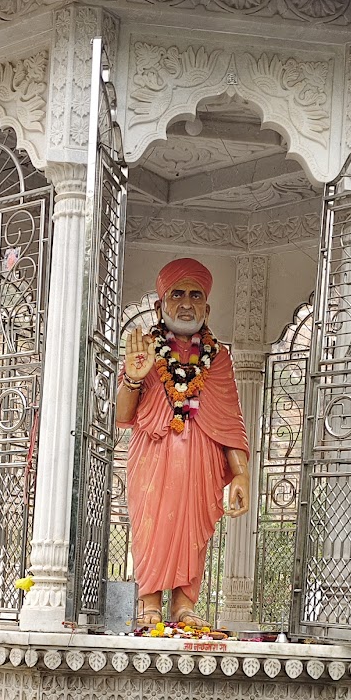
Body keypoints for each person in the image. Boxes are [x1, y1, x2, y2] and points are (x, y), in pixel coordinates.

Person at [116, 257, 250, 629]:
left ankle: (184, 605)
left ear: (207, 307)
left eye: (196, 295)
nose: (187, 303)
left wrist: (241, 474)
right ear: (160, 305)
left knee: (194, 530)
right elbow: (122, 416)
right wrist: (132, 378)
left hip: (202, 458)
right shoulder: (145, 348)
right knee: (151, 525)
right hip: (153, 455)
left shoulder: (218, 360)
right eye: (177, 293)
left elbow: (230, 419)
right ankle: (149, 605)